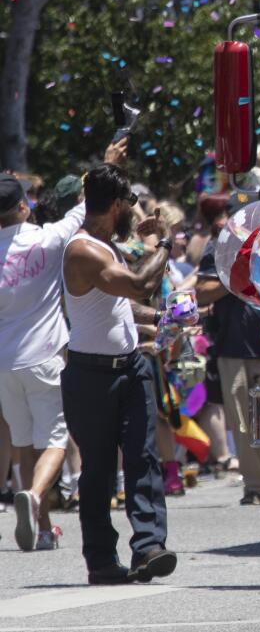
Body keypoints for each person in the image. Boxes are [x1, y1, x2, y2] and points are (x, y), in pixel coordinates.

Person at [0, 142, 125, 552]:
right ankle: (34, 497)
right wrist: (106, 164)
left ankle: (40, 529)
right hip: (44, 355)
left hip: (4, 362)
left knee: (22, 442)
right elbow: (82, 210)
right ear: (23, 208)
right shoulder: (49, 238)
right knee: (54, 439)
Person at [61, 163, 176, 585]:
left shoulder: (106, 245)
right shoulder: (83, 250)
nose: (133, 210)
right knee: (98, 470)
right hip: (91, 377)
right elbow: (139, 284)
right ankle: (101, 561)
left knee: (144, 458)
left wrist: (162, 320)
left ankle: (148, 547)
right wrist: (163, 241)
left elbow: (119, 306)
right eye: (130, 204)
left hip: (130, 368)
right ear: (115, 205)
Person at [195, 244, 260, 505]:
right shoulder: (220, 247)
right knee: (243, 422)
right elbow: (201, 293)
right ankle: (257, 486)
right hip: (232, 349)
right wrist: (234, 274)